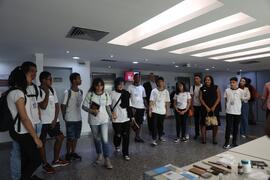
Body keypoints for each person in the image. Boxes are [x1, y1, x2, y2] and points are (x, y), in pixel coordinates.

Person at [10, 61, 44, 180]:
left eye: (35, 72)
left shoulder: (28, 89)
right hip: (22, 130)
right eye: (31, 73)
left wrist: (38, 120)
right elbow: (24, 117)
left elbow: (36, 106)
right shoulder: (17, 92)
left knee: (26, 156)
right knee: (29, 157)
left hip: (31, 126)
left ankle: (27, 175)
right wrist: (35, 137)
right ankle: (18, 177)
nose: (34, 75)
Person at [38, 71, 69, 174]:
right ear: (43, 80)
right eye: (49, 79)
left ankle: (56, 160)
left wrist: (55, 119)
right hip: (42, 122)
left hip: (53, 121)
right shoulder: (37, 90)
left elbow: (56, 105)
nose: (51, 81)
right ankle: (45, 164)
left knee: (60, 137)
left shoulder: (52, 89)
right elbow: (43, 106)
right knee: (42, 143)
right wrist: (46, 93)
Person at [82, 78, 113, 169]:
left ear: (103, 85)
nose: (99, 87)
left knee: (105, 140)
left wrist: (111, 116)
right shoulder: (90, 94)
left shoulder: (106, 94)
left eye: (101, 85)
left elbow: (107, 107)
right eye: (97, 85)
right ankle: (99, 154)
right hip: (93, 121)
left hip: (104, 120)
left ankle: (107, 159)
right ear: (94, 86)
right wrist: (91, 110)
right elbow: (83, 107)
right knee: (97, 139)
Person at [61, 73, 83, 161]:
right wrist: (64, 117)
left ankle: (73, 152)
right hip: (70, 119)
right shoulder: (68, 92)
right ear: (73, 80)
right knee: (70, 138)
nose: (80, 80)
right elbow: (63, 105)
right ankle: (68, 153)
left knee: (76, 137)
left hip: (79, 118)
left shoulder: (81, 91)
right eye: (79, 78)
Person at [110, 77, 133, 160]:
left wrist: (132, 117)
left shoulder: (126, 93)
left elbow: (129, 106)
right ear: (116, 84)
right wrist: (111, 113)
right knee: (118, 135)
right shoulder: (112, 93)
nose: (121, 86)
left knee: (126, 136)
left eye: (123, 84)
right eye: (119, 84)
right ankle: (116, 145)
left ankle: (126, 153)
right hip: (116, 119)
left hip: (126, 118)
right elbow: (109, 105)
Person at [199, 75, 221, 144]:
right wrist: (206, 107)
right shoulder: (202, 88)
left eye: (208, 80)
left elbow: (219, 97)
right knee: (203, 124)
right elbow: (200, 98)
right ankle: (204, 139)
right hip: (205, 109)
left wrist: (214, 106)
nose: (207, 81)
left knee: (215, 124)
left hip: (215, 108)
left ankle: (214, 138)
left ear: (211, 80)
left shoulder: (216, 87)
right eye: (206, 80)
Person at [223, 77, 244, 149]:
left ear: (236, 83)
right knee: (228, 127)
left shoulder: (241, 91)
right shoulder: (227, 90)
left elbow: (242, 100)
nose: (232, 84)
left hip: (238, 112)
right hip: (229, 112)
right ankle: (226, 142)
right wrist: (227, 108)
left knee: (236, 128)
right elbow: (226, 100)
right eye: (231, 82)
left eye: (233, 82)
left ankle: (234, 142)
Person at [149, 77, 170, 146]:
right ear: (157, 83)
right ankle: (154, 139)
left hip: (162, 111)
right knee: (154, 126)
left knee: (161, 125)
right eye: (159, 82)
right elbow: (151, 101)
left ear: (163, 82)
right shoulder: (154, 91)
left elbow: (167, 102)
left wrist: (167, 111)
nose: (160, 83)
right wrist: (150, 111)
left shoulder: (166, 91)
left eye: (162, 81)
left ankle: (160, 136)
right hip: (155, 111)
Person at [127, 73, 147, 143]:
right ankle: (127, 136)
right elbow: (128, 98)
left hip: (141, 108)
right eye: (136, 78)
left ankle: (137, 137)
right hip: (133, 108)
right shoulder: (130, 87)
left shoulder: (142, 88)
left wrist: (146, 107)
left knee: (139, 123)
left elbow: (144, 98)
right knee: (131, 123)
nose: (137, 79)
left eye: (138, 78)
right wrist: (130, 106)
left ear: (140, 79)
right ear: (134, 78)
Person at [190, 74, 203, 140]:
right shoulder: (192, 87)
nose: (196, 80)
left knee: (202, 120)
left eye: (197, 78)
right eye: (195, 78)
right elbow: (191, 97)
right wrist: (191, 107)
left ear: (200, 79)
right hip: (195, 106)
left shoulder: (203, 86)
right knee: (196, 121)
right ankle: (197, 133)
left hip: (202, 106)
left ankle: (203, 133)